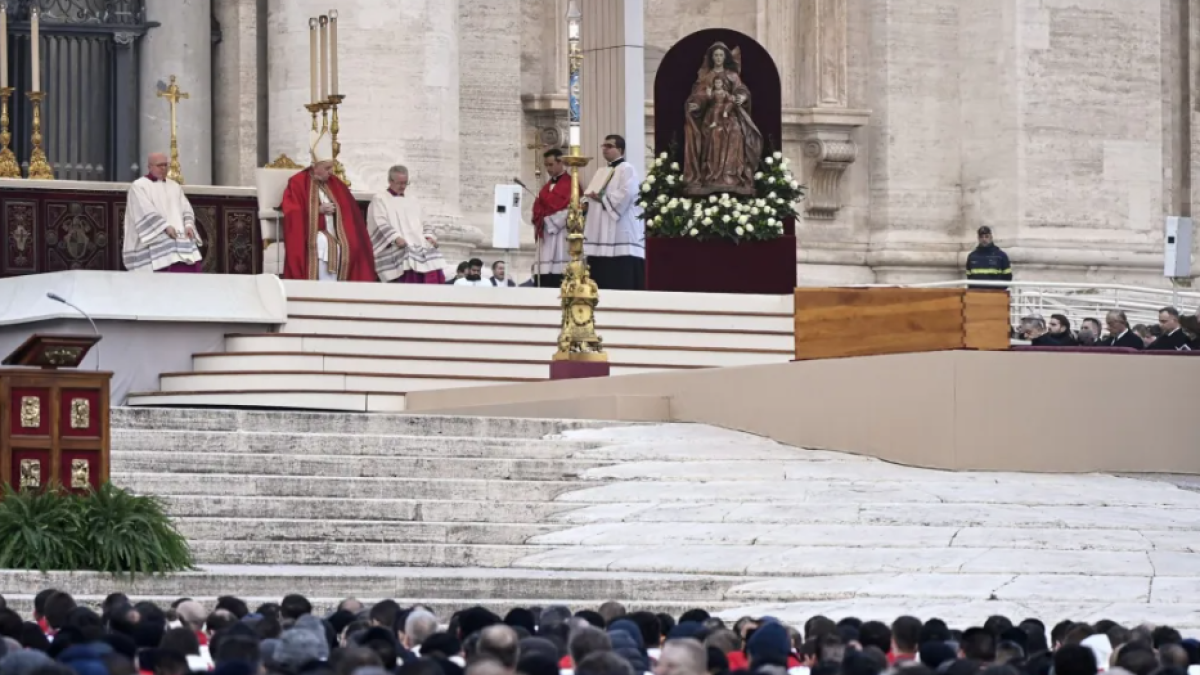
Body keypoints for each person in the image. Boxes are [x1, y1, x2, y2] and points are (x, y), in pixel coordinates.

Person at [280, 126, 375, 281]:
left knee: (353, 245)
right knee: (325, 242)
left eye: (331, 167)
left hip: (337, 231)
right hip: (310, 231)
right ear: (314, 167)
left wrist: (337, 210)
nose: (331, 172)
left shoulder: (335, 183)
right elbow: (291, 211)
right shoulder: (297, 182)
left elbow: (349, 211)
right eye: (327, 168)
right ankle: (323, 288)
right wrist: (317, 210)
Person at [122, 152, 203, 273]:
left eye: (166, 165)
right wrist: (164, 227)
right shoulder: (139, 186)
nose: (164, 168)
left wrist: (189, 225)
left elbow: (186, 208)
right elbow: (144, 210)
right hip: (156, 235)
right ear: (149, 166)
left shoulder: (174, 186)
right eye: (160, 165)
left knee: (190, 267)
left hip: (179, 236)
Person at [584, 134, 645, 291]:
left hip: (620, 230)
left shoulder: (627, 169)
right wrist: (585, 204)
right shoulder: (601, 172)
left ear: (620, 149)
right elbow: (590, 193)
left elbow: (628, 194)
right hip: (601, 229)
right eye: (603, 146)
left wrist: (603, 198)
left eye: (609, 146)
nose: (605, 149)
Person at [366, 165, 445, 284]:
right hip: (397, 245)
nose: (403, 186)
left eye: (405, 183)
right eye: (399, 183)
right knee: (407, 263)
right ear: (390, 181)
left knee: (432, 265)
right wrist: (395, 238)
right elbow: (379, 221)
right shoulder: (380, 198)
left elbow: (425, 221)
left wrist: (429, 236)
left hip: (417, 243)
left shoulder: (413, 199)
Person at [531, 149, 572, 289]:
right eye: (546, 165)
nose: (548, 169)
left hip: (560, 233)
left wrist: (550, 221)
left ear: (561, 162)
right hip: (545, 235)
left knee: (557, 273)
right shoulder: (545, 187)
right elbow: (538, 207)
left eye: (550, 164)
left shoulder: (571, 184)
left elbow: (573, 209)